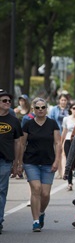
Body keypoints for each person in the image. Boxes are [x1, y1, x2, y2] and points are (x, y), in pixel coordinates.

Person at [20, 97, 62, 232]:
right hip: (31, 161)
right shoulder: (27, 124)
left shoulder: (52, 124)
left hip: (48, 162)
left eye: (43, 107)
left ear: (46, 109)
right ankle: (36, 221)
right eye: (37, 108)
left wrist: (57, 161)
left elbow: (57, 143)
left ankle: (41, 212)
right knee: (36, 189)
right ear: (33, 109)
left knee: (45, 193)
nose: (40, 110)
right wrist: (19, 162)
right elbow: (21, 143)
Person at [0, 89, 23, 234]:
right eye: (4, 101)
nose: (8, 103)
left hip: (5, 160)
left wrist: (17, 163)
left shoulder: (14, 121)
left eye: (9, 101)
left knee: (1, 191)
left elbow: (18, 143)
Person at [61, 102, 75, 191]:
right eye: (74, 108)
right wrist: (61, 143)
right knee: (69, 161)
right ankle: (69, 183)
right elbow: (64, 131)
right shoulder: (66, 119)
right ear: (70, 109)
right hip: (68, 140)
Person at [49, 93, 70, 179]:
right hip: (56, 132)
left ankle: (64, 172)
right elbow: (50, 120)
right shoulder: (54, 109)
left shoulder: (69, 109)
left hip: (66, 134)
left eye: (65, 100)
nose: (63, 102)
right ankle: (59, 171)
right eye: (62, 100)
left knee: (64, 153)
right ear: (59, 101)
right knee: (57, 152)